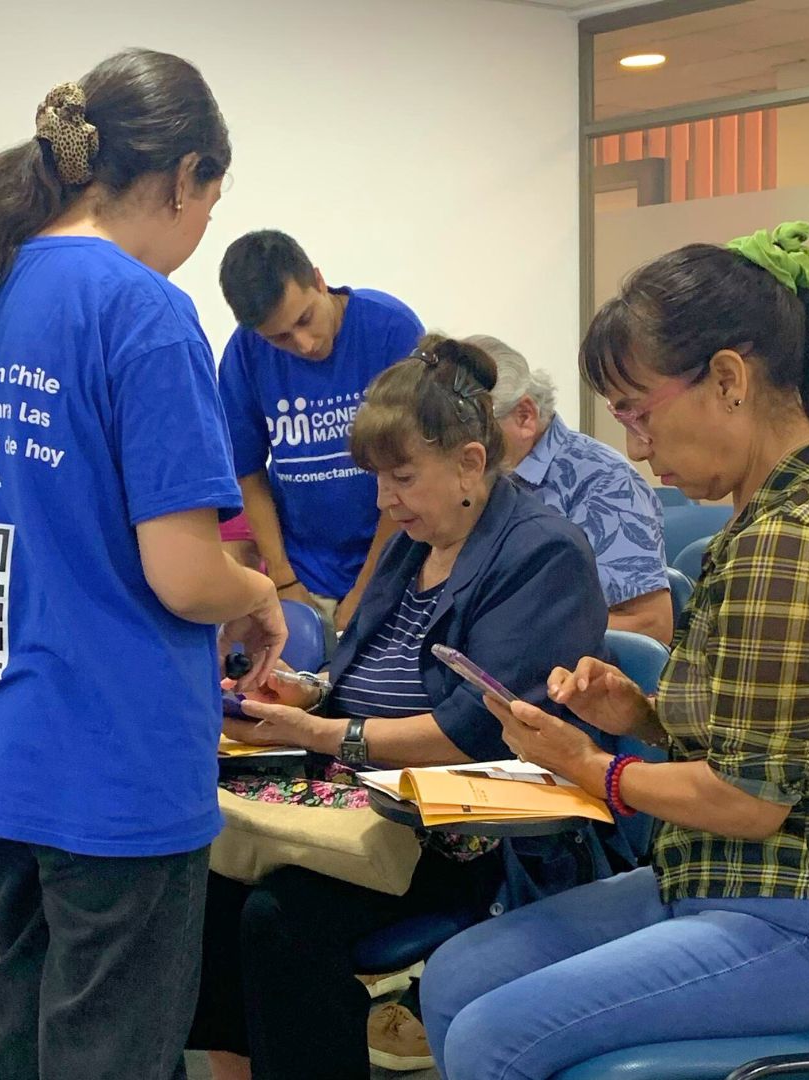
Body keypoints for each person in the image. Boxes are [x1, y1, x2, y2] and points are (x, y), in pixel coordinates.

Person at [0, 50, 285, 1080]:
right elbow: (182, 576)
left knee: (25, 1018)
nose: (206, 222)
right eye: (212, 199)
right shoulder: (142, 309)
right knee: (114, 1045)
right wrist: (261, 595)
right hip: (112, 749)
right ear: (184, 176)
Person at [422, 223, 809, 1079]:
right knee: (457, 978)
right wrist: (642, 715)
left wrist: (589, 765)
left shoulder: (791, 537)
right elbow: (768, 737)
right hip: (730, 880)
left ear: (728, 380)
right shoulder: (774, 511)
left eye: (639, 413)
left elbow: (752, 801)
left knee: (490, 1037)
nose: (637, 447)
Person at [190, 336, 608, 1080]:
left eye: (402, 478)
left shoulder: (543, 555)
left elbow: (474, 732)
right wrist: (305, 692)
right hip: (363, 796)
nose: (385, 502)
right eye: (380, 480)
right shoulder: (414, 543)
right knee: (208, 880)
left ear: (471, 464)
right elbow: (364, 675)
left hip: (465, 829)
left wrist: (322, 729)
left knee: (278, 917)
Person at [217, 230, 424, 632]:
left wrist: (368, 587)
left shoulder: (390, 329)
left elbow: (410, 472)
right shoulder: (244, 352)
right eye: (280, 338)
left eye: (305, 319)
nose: (305, 344)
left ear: (317, 279)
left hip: (394, 564)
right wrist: (282, 576)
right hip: (302, 573)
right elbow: (246, 470)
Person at [473, 334, 672, 643]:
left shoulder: (605, 482)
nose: (461, 450)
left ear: (524, 416)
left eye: (474, 431)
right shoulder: (473, 481)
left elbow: (651, 625)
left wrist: (518, 631)